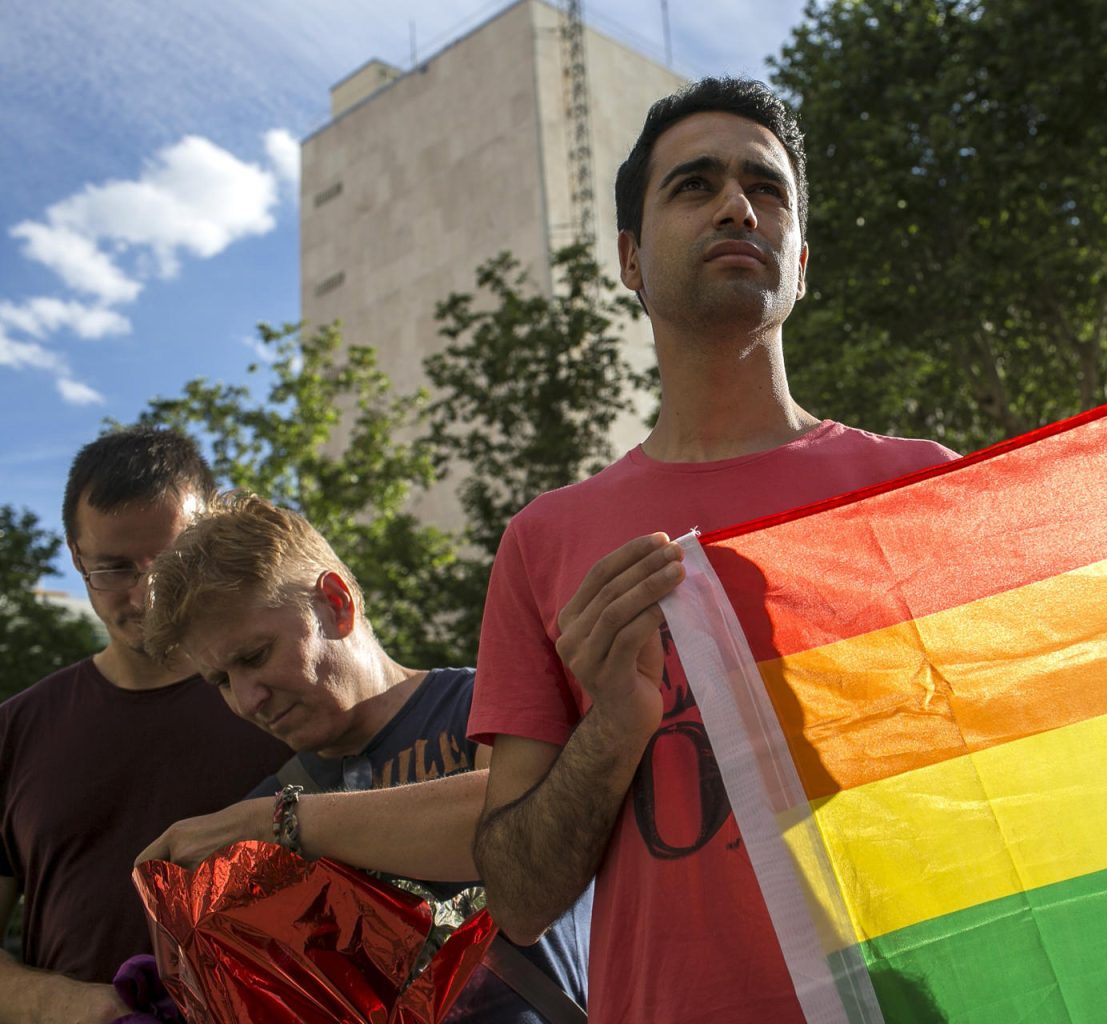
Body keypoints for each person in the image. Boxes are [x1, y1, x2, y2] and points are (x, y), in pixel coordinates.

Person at [469, 77, 960, 1022]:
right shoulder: (544, 541)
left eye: (766, 189)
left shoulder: (927, 488)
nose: (738, 205)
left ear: (802, 261)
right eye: (693, 185)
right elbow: (521, 900)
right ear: (630, 260)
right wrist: (612, 730)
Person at [137, 493, 589, 1024]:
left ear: (337, 602)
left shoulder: (484, 706)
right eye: (221, 681)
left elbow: (507, 827)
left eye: (255, 656)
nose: (247, 699)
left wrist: (279, 822)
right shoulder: (253, 817)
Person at [0, 427, 290, 1024]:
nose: (149, 592)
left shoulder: (289, 702)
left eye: (171, 558)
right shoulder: (15, 730)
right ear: (77, 558)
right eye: (113, 568)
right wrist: (81, 1008)